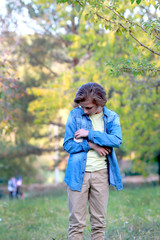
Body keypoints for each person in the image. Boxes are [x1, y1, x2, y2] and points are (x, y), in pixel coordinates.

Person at [63, 82, 123, 240]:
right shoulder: (74, 115)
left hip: (101, 174)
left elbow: (116, 140)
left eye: (88, 107)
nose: (84, 110)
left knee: (99, 223)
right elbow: (68, 144)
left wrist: (89, 134)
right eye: (82, 107)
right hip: (77, 175)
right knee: (76, 224)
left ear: (100, 103)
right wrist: (91, 145)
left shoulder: (111, 117)